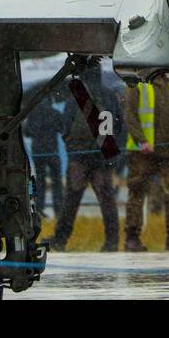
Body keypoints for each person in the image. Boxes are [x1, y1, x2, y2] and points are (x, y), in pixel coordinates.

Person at [46, 59, 122, 252]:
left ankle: (60, 240)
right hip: (104, 154)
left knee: (71, 200)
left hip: (79, 156)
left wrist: (71, 146)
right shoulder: (110, 95)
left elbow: (65, 124)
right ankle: (112, 242)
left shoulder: (78, 96)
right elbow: (120, 125)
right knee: (107, 200)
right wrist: (113, 151)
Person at [123, 73, 169, 251]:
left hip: (167, 150)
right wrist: (141, 140)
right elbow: (130, 115)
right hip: (142, 151)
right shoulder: (137, 82)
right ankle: (132, 237)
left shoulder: (168, 84)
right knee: (137, 192)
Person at [24, 82, 66, 218]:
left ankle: (39, 208)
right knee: (57, 181)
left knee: (40, 182)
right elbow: (62, 129)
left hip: (38, 152)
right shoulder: (55, 113)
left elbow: (28, 132)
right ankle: (58, 209)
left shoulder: (33, 114)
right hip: (52, 151)